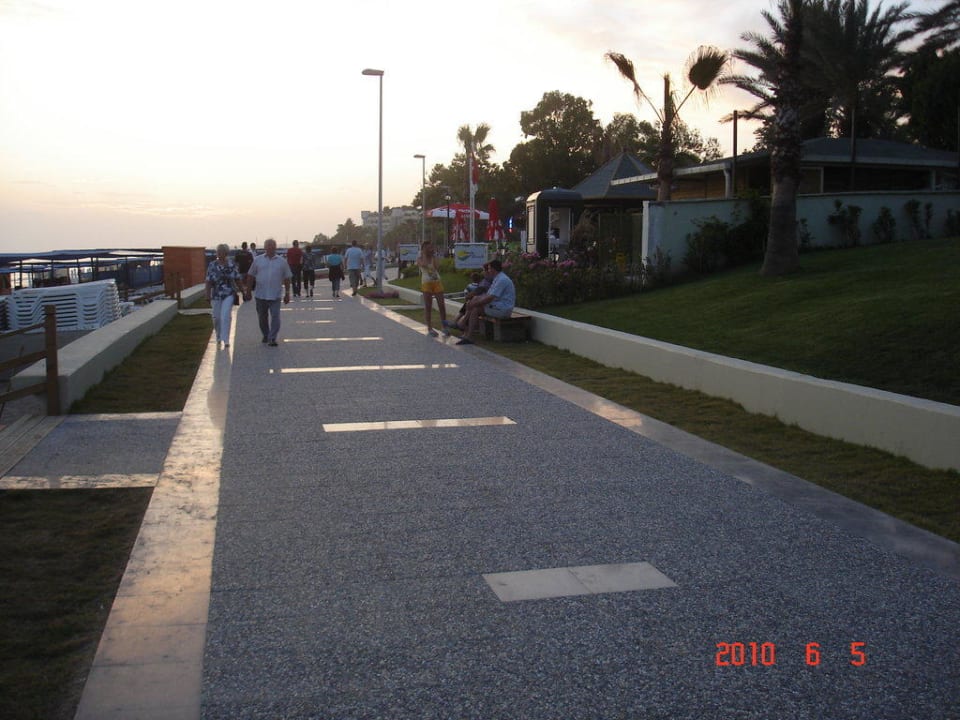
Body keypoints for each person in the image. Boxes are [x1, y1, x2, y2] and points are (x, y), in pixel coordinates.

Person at [455, 258, 515, 345]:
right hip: (497, 306)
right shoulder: (497, 278)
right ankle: (466, 330)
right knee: (475, 301)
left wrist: (474, 303)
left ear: (493, 269)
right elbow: (487, 295)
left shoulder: (502, 280)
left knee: (475, 308)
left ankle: (467, 333)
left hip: (503, 309)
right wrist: (474, 301)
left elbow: (490, 297)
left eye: (489, 268)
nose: (488, 270)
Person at [245, 238, 291, 346]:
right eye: (268, 246)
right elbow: (250, 275)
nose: (270, 248)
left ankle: (272, 337)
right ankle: (266, 334)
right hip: (261, 294)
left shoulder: (282, 262)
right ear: (265, 247)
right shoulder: (258, 260)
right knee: (262, 317)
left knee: (275, 316)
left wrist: (287, 293)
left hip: (275, 295)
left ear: (275, 247)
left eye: (272, 246)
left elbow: (287, 278)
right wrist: (248, 291)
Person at [205, 243, 240, 348]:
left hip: (228, 293)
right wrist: (207, 294)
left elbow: (237, 278)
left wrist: (243, 291)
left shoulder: (231, 264)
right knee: (217, 317)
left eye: (221, 252)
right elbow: (208, 281)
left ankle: (226, 339)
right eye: (218, 252)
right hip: (216, 294)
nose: (219, 254)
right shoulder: (212, 265)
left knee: (225, 315)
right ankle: (219, 336)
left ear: (226, 253)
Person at [416, 240, 449, 337]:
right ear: (424, 249)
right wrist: (424, 254)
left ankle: (444, 326)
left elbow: (436, 267)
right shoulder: (420, 258)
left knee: (441, 305)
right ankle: (430, 328)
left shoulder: (434, 257)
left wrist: (433, 256)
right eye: (428, 248)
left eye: (431, 247)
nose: (431, 249)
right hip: (426, 283)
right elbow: (424, 264)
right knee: (428, 306)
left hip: (437, 282)